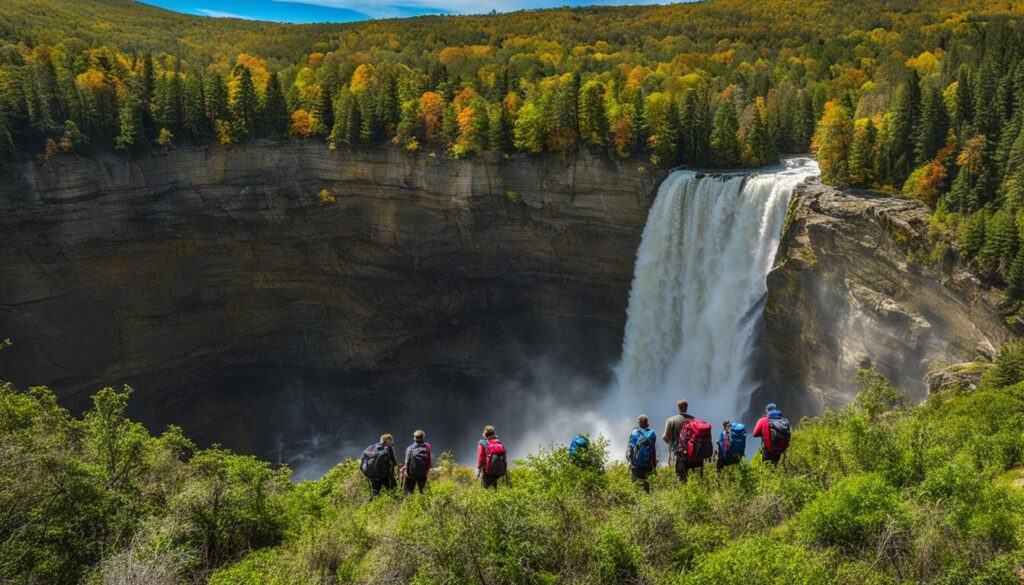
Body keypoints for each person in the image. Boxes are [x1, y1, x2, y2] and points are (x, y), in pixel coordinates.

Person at [360, 433, 399, 500]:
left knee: (375, 493)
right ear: (388, 441)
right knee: (393, 491)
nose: (392, 443)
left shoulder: (372, 447)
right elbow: (394, 463)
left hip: (373, 475)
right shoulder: (388, 448)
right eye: (391, 442)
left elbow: (362, 458)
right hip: (385, 475)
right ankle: (394, 505)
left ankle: (370, 507)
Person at [627, 415, 657, 492]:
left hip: (635, 465)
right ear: (647, 423)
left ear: (638, 423)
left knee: (635, 487)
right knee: (647, 487)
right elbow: (653, 450)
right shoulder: (652, 433)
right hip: (647, 465)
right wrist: (654, 465)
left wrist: (630, 462)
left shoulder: (633, 433)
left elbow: (629, 449)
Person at [662, 399, 694, 468]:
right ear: (687, 407)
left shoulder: (670, 420)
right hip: (690, 453)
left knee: (676, 474)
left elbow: (665, 436)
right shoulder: (693, 420)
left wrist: (672, 444)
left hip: (675, 452)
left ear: (678, 407)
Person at [403, 430, 432, 495]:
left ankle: (408, 503)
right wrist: (427, 471)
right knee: (425, 492)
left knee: (408, 492)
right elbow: (429, 460)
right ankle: (426, 503)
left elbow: (407, 461)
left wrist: (406, 472)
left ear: (414, 438)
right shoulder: (427, 446)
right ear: (423, 437)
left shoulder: (409, 448)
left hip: (411, 474)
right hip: (422, 473)